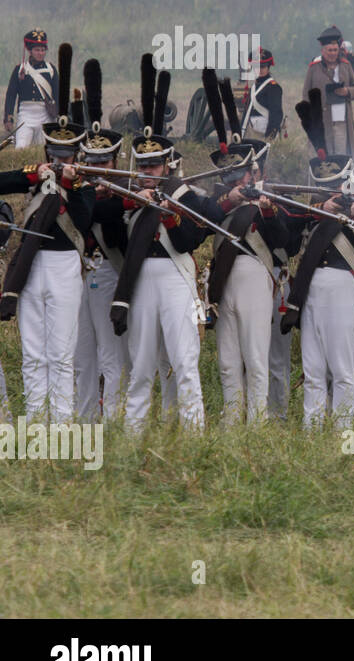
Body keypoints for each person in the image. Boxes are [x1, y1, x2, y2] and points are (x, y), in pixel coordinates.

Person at [107, 57, 223, 431]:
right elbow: (110, 233)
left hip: (176, 276)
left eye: (154, 166)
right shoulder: (126, 194)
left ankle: (192, 438)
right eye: (143, 165)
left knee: (185, 365)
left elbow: (194, 236)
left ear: (168, 164)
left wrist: (169, 211)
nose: (147, 172)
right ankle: (132, 438)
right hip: (140, 281)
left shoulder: (186, 196)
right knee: (141, 368)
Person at [0, 42, 93, 423]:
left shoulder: (84, 185)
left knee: (61, 353)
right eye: (53, 154)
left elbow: (85, 223)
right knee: (33, 354)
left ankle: (63, 424)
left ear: (75, 155)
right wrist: (34, 175)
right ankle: (36, 422)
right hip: (32, 265)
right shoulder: (37, 175)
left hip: (65, 265)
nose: (59, 161)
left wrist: (71, 186)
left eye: (65, 156)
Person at [279, 89, 354, 429]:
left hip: (342, 289)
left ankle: (342, 434)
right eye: (323, 186)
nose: (327, 191)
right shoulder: (309, 209)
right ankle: (311, 433)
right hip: (311, 293)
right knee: (313, 370)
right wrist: (321, 209)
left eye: (332, 185)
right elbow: (288, 230)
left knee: (342, 371)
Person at [201, 69, 289, 425]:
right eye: (231, 177)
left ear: (253, 173)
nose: (236, 182)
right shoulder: (219, 197)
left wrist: (267, 212)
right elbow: (204, 214)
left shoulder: (268, 198)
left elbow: (286, 241)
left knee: (255, 358)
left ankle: (258, 422)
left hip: (255, 274)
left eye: (240, 176)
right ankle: (232, 420)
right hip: (224, 278)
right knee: (227, 360)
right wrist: (231, 197)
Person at [73, 59, 128, 421]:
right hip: (77, 275)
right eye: (90, 161)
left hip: (108, 273)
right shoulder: (78, 192)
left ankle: (116, 423)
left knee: (111, 356)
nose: (97, 168)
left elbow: (111, 224)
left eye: (102, 163)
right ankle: (85, 420)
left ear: (113, 161)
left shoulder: (124, 194)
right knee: (82, 357)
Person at [303, 25, 354, 157]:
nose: (333, 53)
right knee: (323, 159)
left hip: (341, 121)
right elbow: (306, 95)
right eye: (329, 50)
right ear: (323, 51)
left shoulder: (346, 66)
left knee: (341, 157)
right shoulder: (313, 68)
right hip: (321, 121)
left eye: (335, 50)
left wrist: (347, 91)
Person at [4, 29, 58, 148]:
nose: (40, 53)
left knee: (44, 149)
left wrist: (60, 114)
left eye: (43, 50)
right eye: (37, 50)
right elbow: (11, 95)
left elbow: (57, 94)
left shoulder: (51, 69)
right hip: (25, 113)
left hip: (45, 113)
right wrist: (8, 117)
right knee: (21, 147)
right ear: (30, 51)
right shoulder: (19, 69)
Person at [240, 47, 284, 139]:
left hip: (264, 133)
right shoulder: (253, 87)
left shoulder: (273, 87)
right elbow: (246, 113)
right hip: (251, 131)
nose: (259, 70)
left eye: (263, 66)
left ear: (268, 67)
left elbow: (276, 115)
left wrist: (269, 137)